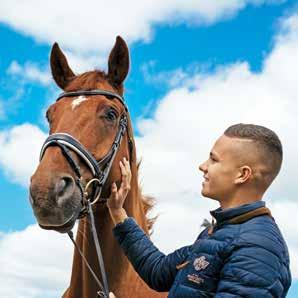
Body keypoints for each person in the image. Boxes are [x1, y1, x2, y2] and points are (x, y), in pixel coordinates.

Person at [107, 123, 291, 297]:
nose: (203, 166)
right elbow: (157, 271)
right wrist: (117, 211)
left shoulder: (257, 249)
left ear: (242, 175)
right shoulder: (219, 233)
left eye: (214, 159)